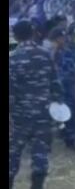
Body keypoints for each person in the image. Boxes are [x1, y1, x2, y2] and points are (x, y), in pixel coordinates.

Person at [9, 20, 63, 189]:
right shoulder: (45, 54)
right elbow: (56, 84)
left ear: (16, 36)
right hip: (43, 112)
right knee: (40, 153)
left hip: (20, 115)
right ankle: (37, 186)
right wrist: (57, 108)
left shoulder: (13, 58)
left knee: (12, 153)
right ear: (33, 33)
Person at [49, 27, 75, 151]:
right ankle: (58, 137)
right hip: (55, 88)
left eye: (63, 37)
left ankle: (71, 140)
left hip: (69, 87)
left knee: (71, 113)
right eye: (59, 38)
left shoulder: (69, 51)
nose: (62, 40)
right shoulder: (50, 52)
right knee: (56, 114)